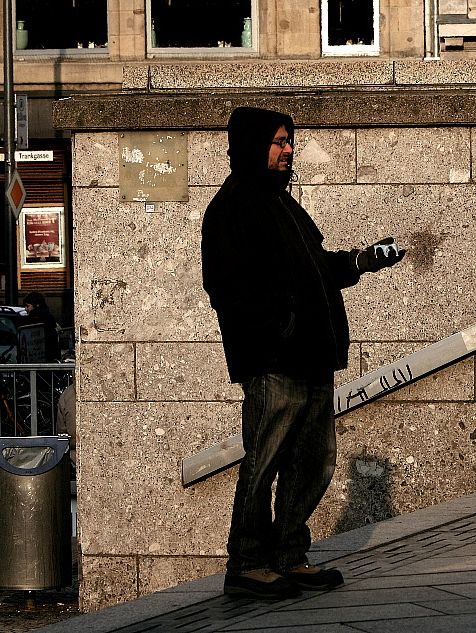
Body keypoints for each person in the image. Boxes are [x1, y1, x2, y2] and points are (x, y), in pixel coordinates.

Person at [201, 107, 406, 600]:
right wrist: (281, 330)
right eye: (277, 142)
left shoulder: (284, 204)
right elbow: (228, 288)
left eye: (290, 140)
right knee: (264, 462)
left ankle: (289, 554)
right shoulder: (233, 207)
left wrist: (362, 260)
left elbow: (317, 268)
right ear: (253, 146)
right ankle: (248, 562)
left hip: (312, 358)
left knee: (313, 463)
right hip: (276, 362)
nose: (288, 149)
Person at [23, 291, 61, 361]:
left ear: (37, 305)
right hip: (50, 355)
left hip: (40, 355)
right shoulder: (48, 316)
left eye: (27, 306)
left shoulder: (34, 319)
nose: (26, 309)